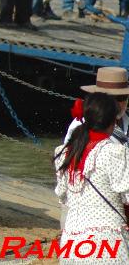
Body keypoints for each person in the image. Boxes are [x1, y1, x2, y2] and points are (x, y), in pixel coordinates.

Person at [55, 93, 129, 263]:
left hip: (71, 242)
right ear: (113, 123)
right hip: (107, 242)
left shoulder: (64, 152)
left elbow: (63, 196)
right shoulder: (115, 152)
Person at [64, 67, 129, 146]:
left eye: (122, 97)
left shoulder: (126, 119)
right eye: (112, 98)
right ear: (100, 99)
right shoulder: (81, 125)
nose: (118, 104)